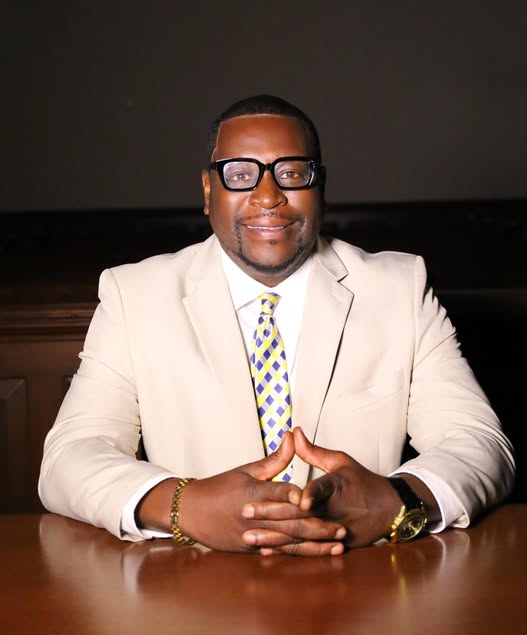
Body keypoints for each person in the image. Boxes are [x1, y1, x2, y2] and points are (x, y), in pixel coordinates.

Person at [39, 94, 515, 556]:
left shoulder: (400, 288)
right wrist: (187, 506)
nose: (268, 196)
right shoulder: (135, 296)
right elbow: (70, 457)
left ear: (320, 187)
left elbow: (479, 444)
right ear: (208, 191)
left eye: (291, 173)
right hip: (196, 584)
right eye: (240, 175)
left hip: (362, 580)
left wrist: (393, 501)